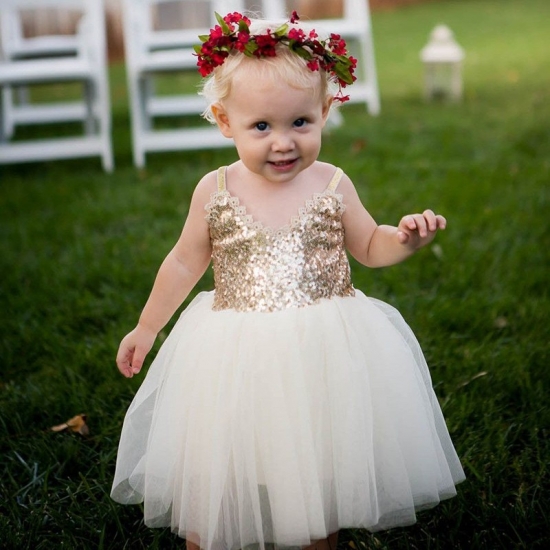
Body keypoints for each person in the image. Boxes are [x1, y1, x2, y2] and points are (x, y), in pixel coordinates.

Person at [111, 12, 465, 550]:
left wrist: (406, 239)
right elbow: (184, 262)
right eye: (262, 127)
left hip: (320, 349)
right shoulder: (214, 189)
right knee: (220, 469)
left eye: (300, 123)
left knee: (315, 469)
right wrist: (146, 327)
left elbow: (370, 245)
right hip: (232, 350)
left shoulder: (332, 182)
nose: (283, 143)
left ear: (325, 112)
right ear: (224, 121)